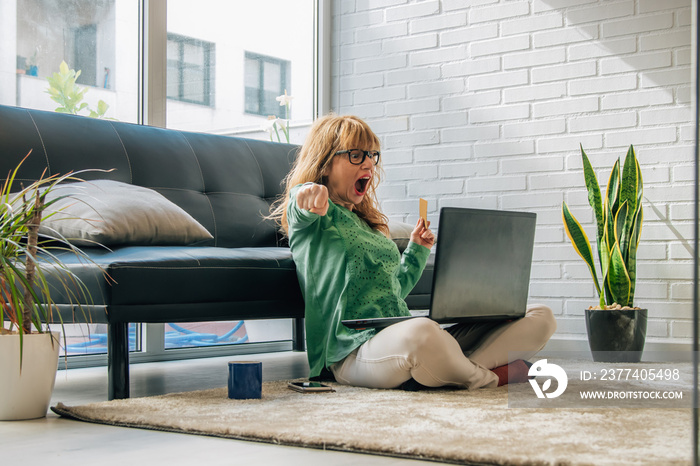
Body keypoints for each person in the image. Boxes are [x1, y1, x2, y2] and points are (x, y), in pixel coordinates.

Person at [270, 114, 556, 390]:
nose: (369, 162)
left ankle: (445, 368)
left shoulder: (367, 225)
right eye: (356, 154)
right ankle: (488, 378)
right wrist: (308, 193)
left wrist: (418, 250)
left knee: (540, 316)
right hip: (350, 352)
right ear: (325, 162)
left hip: (397, 334)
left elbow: (393, 290)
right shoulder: (312, 221)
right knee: (423, 333)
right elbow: (300, 206)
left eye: (372, 155)